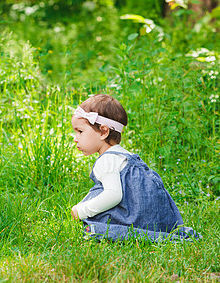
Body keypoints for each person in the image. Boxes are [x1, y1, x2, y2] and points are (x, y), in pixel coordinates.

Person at [70, 94, 199, 241]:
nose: (75, 138)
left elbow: (113, 195)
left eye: (80, 131)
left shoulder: (106, 160)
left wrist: (81, 211)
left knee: (90, 223)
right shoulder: (126, 156)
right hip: (154, 219)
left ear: (104, 131)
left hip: (133, 219)